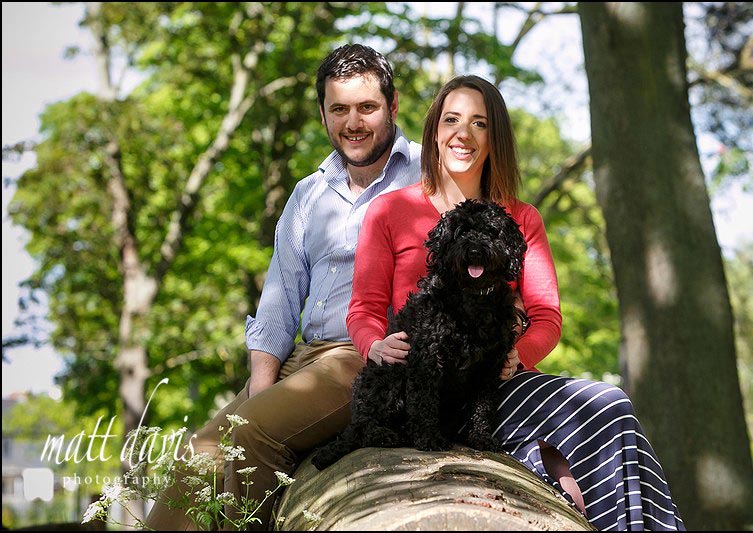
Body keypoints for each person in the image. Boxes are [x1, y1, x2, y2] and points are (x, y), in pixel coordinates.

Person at [346, 75, 686, 531]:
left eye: (479, 123)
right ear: (434, 131)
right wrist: (375, 345)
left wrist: (516, 355)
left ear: (495, 138)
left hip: (499, 384)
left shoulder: (522, 217)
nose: (463, 133)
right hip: (427, 385)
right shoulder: (389, 211)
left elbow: (546, 316)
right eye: (451, 120)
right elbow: (364, 309)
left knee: (610, 403)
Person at [144, 43, 421, 530]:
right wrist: (262, 390)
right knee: (200, 454)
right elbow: (278, 301)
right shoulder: (308, 192)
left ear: (393, 107)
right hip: (304, 356)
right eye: (339, 109)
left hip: (367, 357)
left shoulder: (428, 174)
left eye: (366, 108)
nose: (352, 122)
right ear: (322, 115)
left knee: (251, 435)